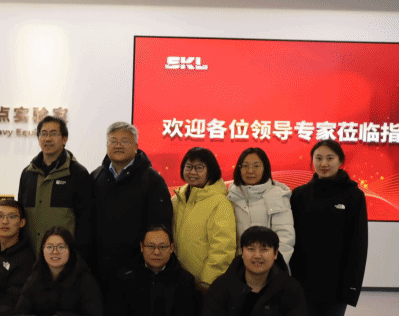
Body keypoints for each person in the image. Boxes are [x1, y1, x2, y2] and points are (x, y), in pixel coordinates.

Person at [289, 139, 368, 316]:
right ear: (312, 161)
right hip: (304, 280)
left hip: (337, 282)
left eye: (330, 158)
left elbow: (358, 245)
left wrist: (352, 286)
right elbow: (293, 241)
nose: (324, 164)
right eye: (319, 158)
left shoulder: (354, 196)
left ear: (340, 162)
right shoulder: (300, 195)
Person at [89, 121, 173, 291]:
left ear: (136, 146)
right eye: (113, 141)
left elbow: (161, 226)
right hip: (99, 269)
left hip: (138, 271)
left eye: (124, 141)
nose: (118, 145)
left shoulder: (152, 180)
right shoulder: (96, 177)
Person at [17, 116, 92, 263]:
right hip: (31, 258)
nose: (48, 139)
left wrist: (80, 258)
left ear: (64, 139)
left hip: (64, 259)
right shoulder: (28, 173)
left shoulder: (78, 173)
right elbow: (22, 216)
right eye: (43, 134)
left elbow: (85, 222)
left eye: (53, 134)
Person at [172, 147, 236, 291]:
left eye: (199, 168)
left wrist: (208, 281)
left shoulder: (220, 202)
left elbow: (223, 248)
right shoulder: (177, 199)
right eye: (189, 167)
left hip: (203, 285)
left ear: (210, 171)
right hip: (178, 281)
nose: (192, 172)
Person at [227, 147, 294, 266]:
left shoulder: (277, 195)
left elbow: (285, 238)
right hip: (237, 267)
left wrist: (275, 268)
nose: (250, 171)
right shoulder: (231, 196)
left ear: (265, 168)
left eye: (256, 166)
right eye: (245, 166)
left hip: (268, 268)